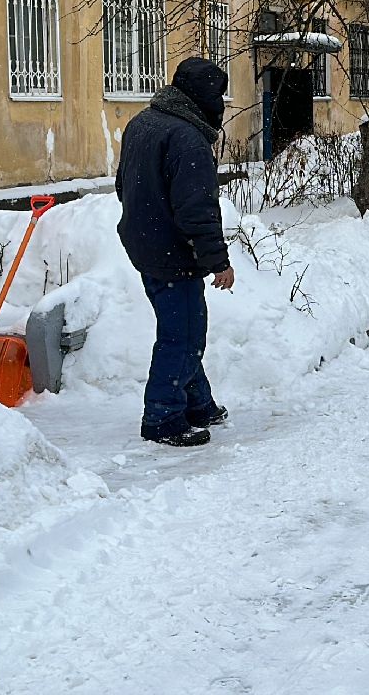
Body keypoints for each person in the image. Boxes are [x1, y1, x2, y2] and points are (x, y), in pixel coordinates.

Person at [116, 57, 237, 447]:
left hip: (146, 244)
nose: (222, 103)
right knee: (183, 336)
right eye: (219, 95)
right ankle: (163, 417)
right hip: (172, 254)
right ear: (204, 96)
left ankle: (198, 404)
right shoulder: (188, 139)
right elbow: (196, 209)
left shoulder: (144, 123)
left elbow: (123, 185)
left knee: (181, 328)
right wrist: (218, 262)